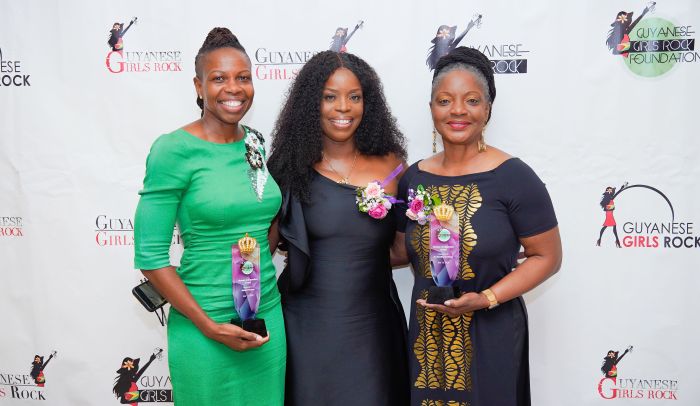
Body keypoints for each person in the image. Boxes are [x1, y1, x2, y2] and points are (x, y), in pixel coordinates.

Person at [395, 47, 562, 405]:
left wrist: (486, 298)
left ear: (487, 109)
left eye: (471, 100)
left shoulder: (514, 176)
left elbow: (546, 257)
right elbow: (398, 251)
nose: (457, 110)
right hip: (428, 341)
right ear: (431, 109)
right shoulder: (413, 178)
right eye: (445, 100)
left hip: (492, 333)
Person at [133, 28, 285, 405]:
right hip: (204, 326)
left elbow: (259, 221)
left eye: (243, 77)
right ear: (199, 86)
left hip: (265, 320)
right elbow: (150, 257)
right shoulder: (172, 150)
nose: (233, 88)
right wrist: (210, 326)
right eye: (219, 78)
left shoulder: (255, 143)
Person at [267, 50, 409, 405]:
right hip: (305, 329)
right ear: (310, 104)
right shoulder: (286, 169)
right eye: (329, 96)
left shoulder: (393, 165)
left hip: (374, 331)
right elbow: (258, 251)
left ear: (368, 102)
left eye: (354, 96)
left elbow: (401, 251)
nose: (343, 107)